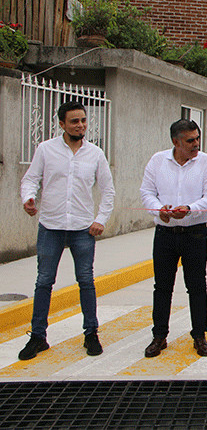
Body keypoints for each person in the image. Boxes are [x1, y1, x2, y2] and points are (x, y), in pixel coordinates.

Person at [18, 101, 115, 360]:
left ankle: (91, 333)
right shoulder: (46, 150)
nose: (80, 125)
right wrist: (28, 197)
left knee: (86, 281)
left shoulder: (95, 153)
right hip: (51, 226)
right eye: (74, 121)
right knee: (44, 282)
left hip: (83, 228)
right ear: (61, 124)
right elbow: (30, 179)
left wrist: (100, 219)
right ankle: (38, 337)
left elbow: (108, 190)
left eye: (83, 120)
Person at [140, 119, 207, 358]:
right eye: (190, 140)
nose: (196, 144)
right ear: (175, 142)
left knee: (196, 286)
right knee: (162, 287)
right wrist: (158, 210)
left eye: (197, 138)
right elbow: (146, 192)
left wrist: (189, 208)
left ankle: (199, 336)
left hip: (195, 233)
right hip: (165, 234)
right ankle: (159, 336)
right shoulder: (157, 161)